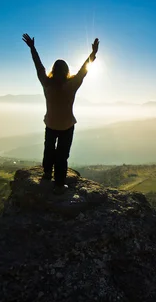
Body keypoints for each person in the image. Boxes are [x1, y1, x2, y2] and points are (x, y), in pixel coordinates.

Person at [22, 33, 99, 193]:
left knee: (49, 149)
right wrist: (93, 54)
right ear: (66, 71)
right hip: (67, 125)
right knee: (62, 155)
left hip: (50, 123)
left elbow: (38, 66)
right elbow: (83, 71)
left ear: (53, 70)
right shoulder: (72, 84)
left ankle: (46, 174)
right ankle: (59, 184)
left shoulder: (46, 83)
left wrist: (33, 48)